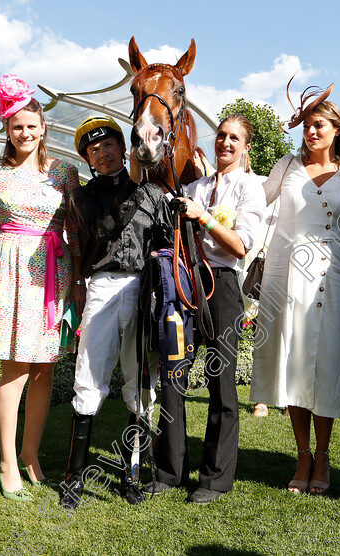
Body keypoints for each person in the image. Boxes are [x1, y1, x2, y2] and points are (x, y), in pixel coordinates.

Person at [144, 114, 264, 504]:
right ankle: (170, 471)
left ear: (246, 146)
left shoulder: (251, 188)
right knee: (174, 374)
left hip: (224, 287)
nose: (225, 142)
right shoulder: (195, 186)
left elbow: (243, 246)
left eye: (234, 138)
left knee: (221, 380)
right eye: (222, 136)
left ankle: (214, 478)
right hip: (184, 283)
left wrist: (205, 217)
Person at [250, 87, 340, 495]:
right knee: (294, 361)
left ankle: (325, 456)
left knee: (328, 363)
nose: (312, 131)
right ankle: (302, 454)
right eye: (309, 125)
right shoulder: (287, 164)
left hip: (330, 277)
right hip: (286, 277)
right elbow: (254, 201)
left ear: (337, 129)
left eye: (321, 125)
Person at [0, 75, 82, 501]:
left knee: (45, 371)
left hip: (56, 273)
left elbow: (76, 228)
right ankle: (6, 462)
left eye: (31, 126)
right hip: (13, 272)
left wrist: (78, 283)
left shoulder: (64, 172)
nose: (24, 133)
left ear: (43, 130)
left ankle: (31, 454)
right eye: (17, 126)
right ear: (8, 129)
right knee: (15, 370)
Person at [58, 115, 172, 509]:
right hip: (102, 285)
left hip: (142, 288)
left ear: (124, 148)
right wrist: (138, 181)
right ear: (88, 158)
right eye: (93, 149)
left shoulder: (154, 193)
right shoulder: (82, 198)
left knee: (140, 383)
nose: (102, 153)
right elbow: (105, 228)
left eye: (109, 145)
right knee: (89, 377)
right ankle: (73, 478)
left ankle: (132, 474)